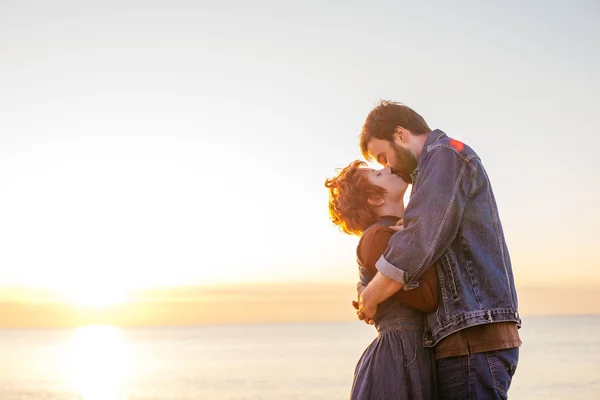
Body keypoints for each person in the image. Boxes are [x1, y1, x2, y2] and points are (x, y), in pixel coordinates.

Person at [356, 100, 522, 399]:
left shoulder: (445, 156)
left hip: (473, 335)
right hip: (466, 334)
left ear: (401, 134)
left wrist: (370, 295)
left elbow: (418, 243)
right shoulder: (433, 170)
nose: (388, 166)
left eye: (384, 156)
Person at [325, 160, 438, 400]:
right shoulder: (376, 237)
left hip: (410, 352)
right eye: (378, 174)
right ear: (375, 199)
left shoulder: (397, 231)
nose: (387, 168)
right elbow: (427, 297)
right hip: (398, 359)